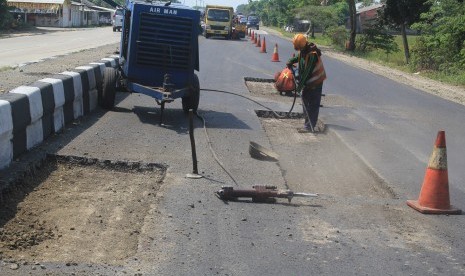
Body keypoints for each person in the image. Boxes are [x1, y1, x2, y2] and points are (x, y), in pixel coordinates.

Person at [286, 34, 326, 133]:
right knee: (305, 102)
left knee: (313, 105)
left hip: (316, 82)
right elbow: (300, 56)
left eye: (299, 47)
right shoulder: (304, 49)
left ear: (303, 45)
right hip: (308, 82)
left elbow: (307, 73)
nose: (298, 49)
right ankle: (307, 124)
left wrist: (299, 86)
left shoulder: (312, 54)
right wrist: (291, 61)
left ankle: (310, 127)